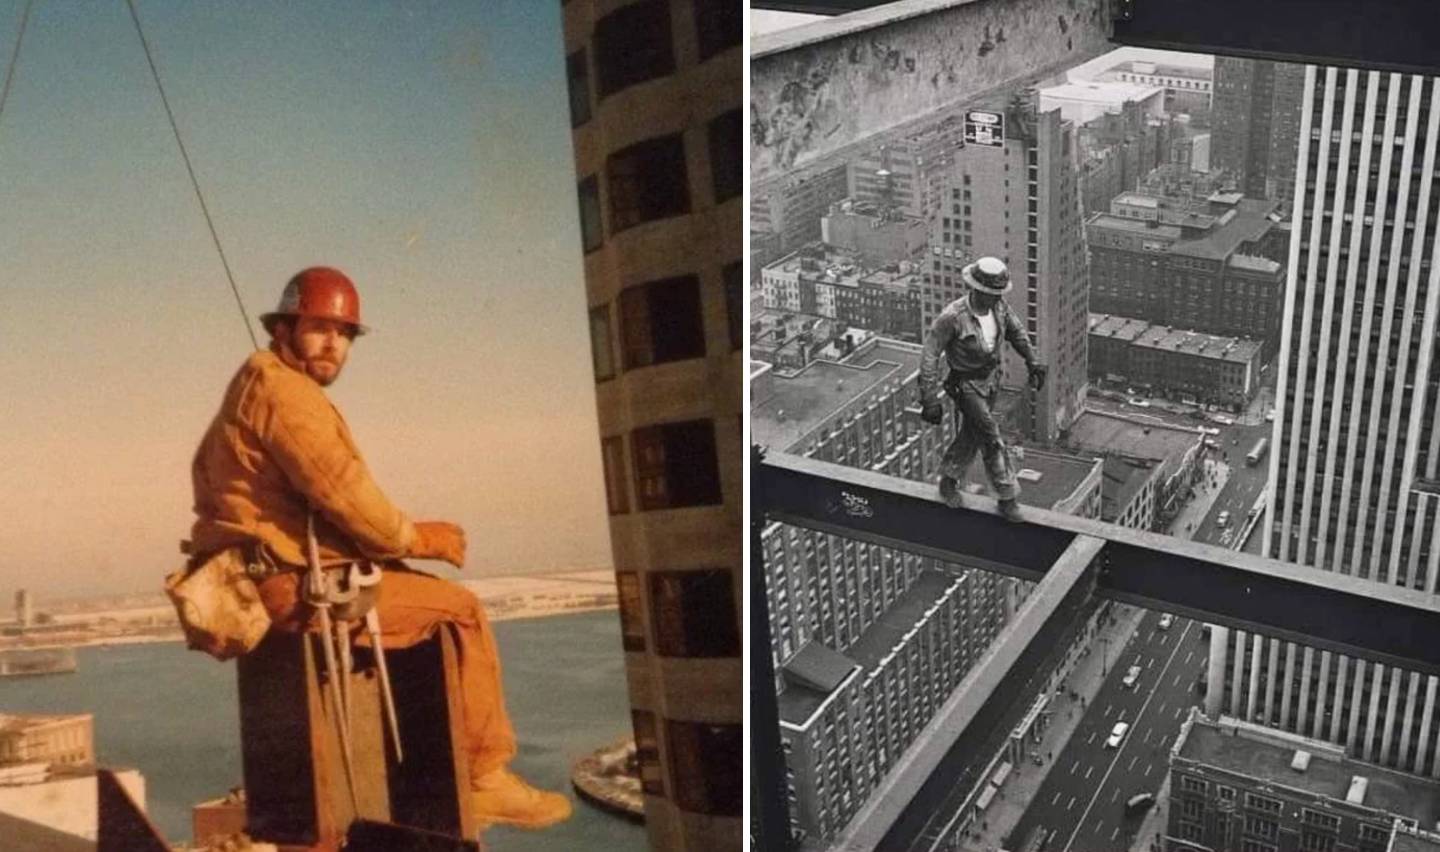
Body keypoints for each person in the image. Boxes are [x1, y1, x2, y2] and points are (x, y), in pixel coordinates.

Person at [186, 267, 571, 831]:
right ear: (286, 328)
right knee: (459, 611)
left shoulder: (257, 385)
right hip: (290, 589)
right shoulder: (282, 393)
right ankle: (486, 777)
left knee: (423, 595)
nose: (333, 344)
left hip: (260, 581)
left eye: (344, 334)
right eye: (319, 328)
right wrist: (419, 538)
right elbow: (346, 494)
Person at [918, 257, 1047, 522]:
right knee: (991, 436)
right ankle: (1007, 497)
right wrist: (929, 399)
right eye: (990, 293)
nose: (994, 298)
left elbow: (1017, 332)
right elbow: (930, 355)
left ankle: (948, 479)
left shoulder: (999, 308)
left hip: (990, 381)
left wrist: (1033, 361)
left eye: (998, 293)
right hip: (965, 385)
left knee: (972, 433)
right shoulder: (953, 317)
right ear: (976, 288)